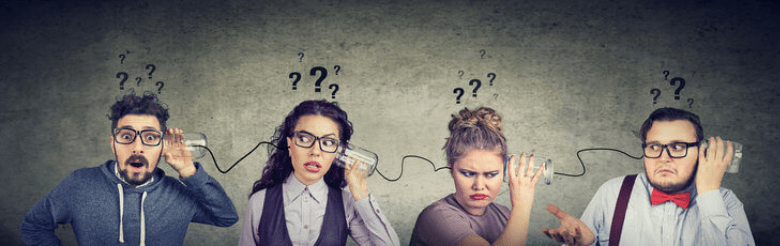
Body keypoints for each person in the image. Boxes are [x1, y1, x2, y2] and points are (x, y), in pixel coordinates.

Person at [19, 91, 239, 245]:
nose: (137, 147)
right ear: (113, 143)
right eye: (126, 136)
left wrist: (189, 172)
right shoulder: (80, 184)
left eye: (150, 137)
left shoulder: (180, 193)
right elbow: (33, 225)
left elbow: (226, 217)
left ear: (162, 145)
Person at [542, 107, 755, 245]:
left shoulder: (725, 202)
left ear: (701, 152)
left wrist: (709, 194)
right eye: (654, 146)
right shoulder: (613, 192)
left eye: (678, 146)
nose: (664, 157)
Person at [239, 100, 400, 246]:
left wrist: (361, 195)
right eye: (304, 139)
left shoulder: (346, 203)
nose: (315, 151)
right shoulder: (259, 202)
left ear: (338, 151)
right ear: (289, 144)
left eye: (328, 142)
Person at [410, 107, 546, 246]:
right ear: (451, 170)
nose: (479, 186)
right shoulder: (435, 217)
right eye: (468, 173)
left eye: (491, 174)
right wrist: (522, 205)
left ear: (504, 171)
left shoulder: (505, 215)